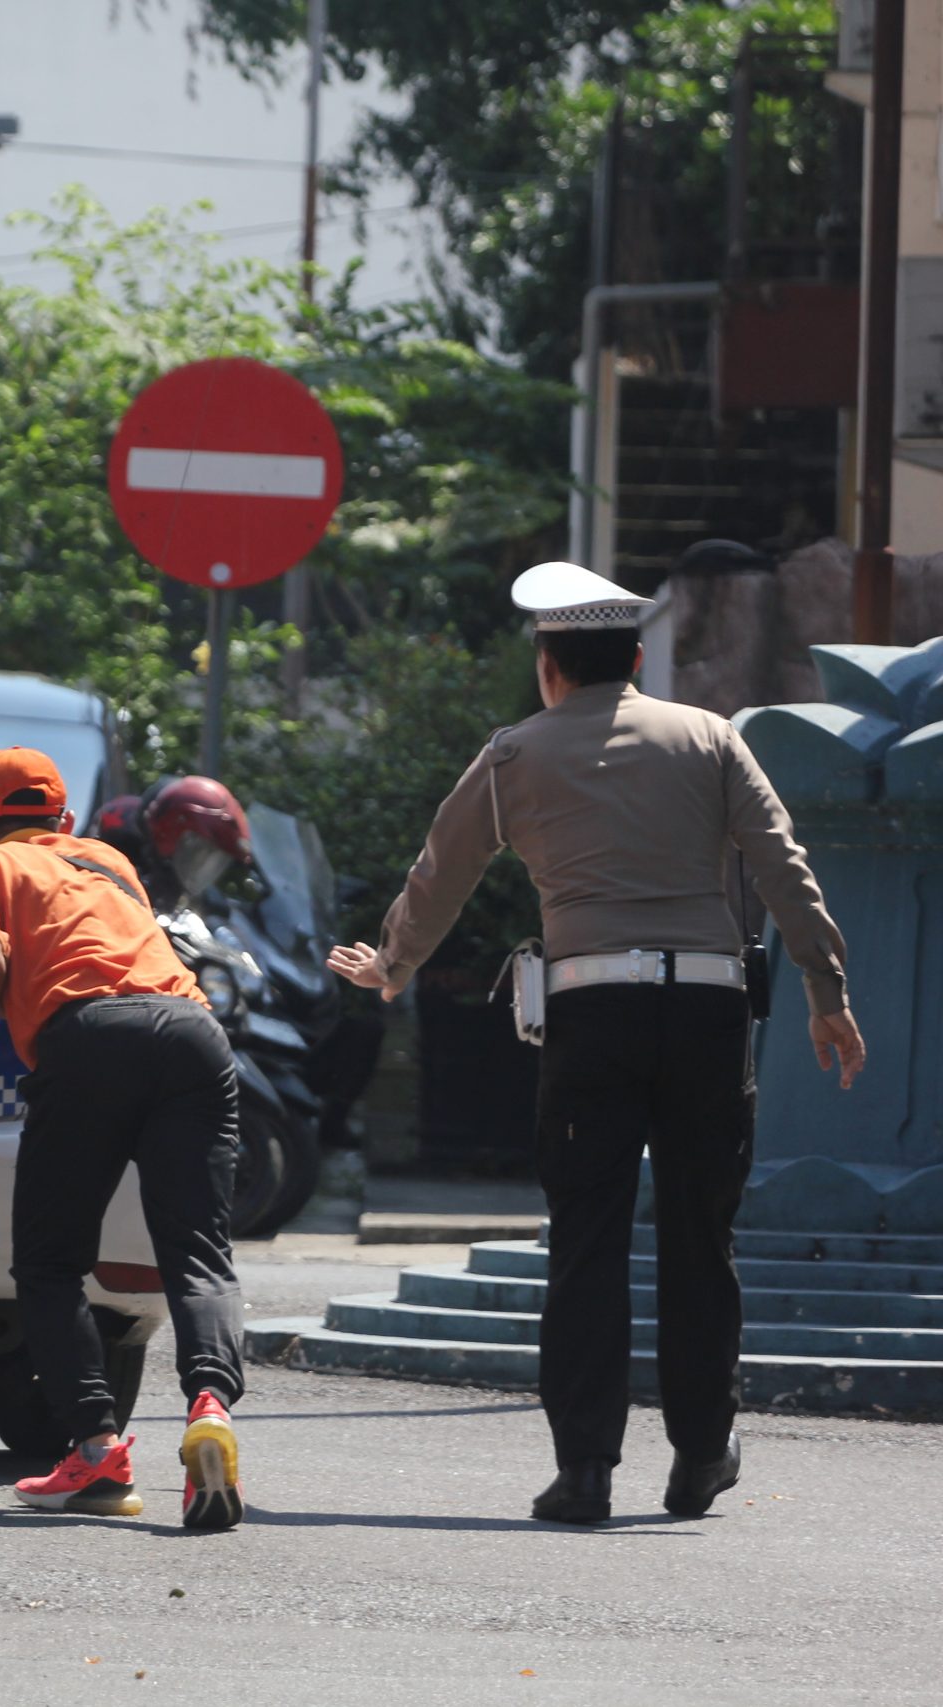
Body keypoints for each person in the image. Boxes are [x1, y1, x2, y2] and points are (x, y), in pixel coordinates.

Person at [329, 560, 867, 1526]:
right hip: (707, 1012)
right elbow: (782, 863)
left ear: (551, 665)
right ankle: (701, 1453)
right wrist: (826, 988)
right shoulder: (710, 737)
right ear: (633, 658)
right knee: (703, 1238)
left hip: (590, 1016)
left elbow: (441, 870)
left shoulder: (513, 756)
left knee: (587, 1243)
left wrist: (395, 963)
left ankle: (584, 1472)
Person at [0, 748, 248, 1530]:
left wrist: (5, 968)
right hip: (192, 1032)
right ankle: (210, 1404)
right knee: (200, 1252)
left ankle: (98, 1450)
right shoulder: (109, 860)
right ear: (65, 819)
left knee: (49, 1262)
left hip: (88, 1038)